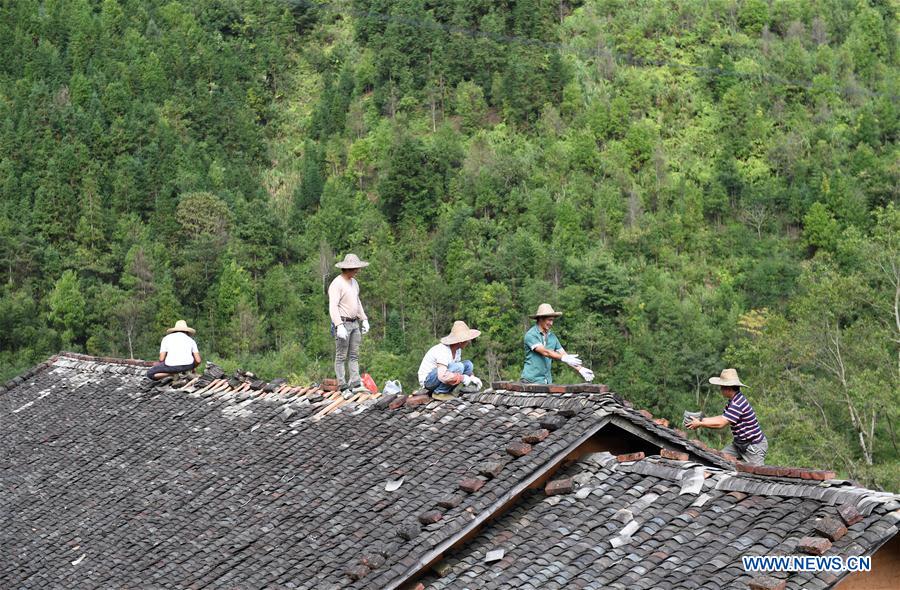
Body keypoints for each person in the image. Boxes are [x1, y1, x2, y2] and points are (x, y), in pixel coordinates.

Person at [687, 368, 768, 466]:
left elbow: (721, 423)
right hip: (739, 445)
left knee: (757, 475)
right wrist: (701, 420)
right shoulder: (733, 400)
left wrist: (700, 424)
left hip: (754, 446)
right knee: (718, 460)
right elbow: (723, 417)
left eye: (722, 387)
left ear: (728, 388)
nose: (720, 390)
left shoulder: (737, 403)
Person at [329, 253, 371, 396]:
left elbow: (357, 302)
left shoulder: (354, 283)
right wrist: (338, 325)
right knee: (341, 356)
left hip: (354, 323)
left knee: (354, 355)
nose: (357, 271)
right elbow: (333, 306)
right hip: (343, 323)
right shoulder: (337, 284)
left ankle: (355, 382)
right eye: (355, 268)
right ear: (348, 269)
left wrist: (364, 318)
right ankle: (343, 386)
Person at [520, 304, 593, 385]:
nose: (551, 323)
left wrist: (580, 369)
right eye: (549, 320)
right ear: (540, 319)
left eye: (552, 320)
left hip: (546, 382)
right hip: (531, 381)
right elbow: (545, 352)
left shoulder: (552, 337)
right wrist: (563, 358)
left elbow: (565, 355)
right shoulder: (531, 335)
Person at [417, 321, 483, 400]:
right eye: (467, 340)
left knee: (468, 365)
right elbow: (442, 376)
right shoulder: (443, 351)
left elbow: (454, 369)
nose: (468, 342)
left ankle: (466, 388)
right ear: (460, 342)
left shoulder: (458, 350)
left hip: (439, 377)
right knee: (459, 367)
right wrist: (463, 378)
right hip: (429, 381)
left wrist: (472, 377)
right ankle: (440, 392)